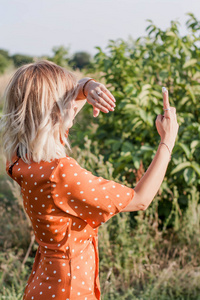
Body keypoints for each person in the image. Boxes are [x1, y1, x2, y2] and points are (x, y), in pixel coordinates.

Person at [0, 60, 178, 300]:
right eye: (68, 98)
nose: (75, 104)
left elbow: (60, 113)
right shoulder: (61, 173)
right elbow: (140, 199)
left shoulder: (21, 158)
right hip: (71, 289)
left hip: (43, 285)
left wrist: (88, 87)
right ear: (54, 112)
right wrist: (168, 140)